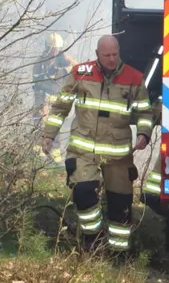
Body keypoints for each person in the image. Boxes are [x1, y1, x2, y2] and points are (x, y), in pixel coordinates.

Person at [42, 35, 154, 256]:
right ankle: (91, 243)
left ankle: (118, 256)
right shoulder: (81, 73)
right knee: (83, 194)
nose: (112, 59)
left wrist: (144, 133)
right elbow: (60, 107)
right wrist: (49, 135)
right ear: (97, 55)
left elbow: (144, 112)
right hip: (83, 151)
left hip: (118, 156)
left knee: (120, 208)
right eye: (107, 55)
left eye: (115, 54)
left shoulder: (134, 78)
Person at [31, 33, 76, 163]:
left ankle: (55, 155)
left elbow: (77, 71)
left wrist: (64, 69)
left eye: (55, 49)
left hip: (58, 99)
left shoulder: (66, 60)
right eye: (51, 48)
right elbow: (37, 83)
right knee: (39, 123)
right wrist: (39, 104)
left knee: (56, 125)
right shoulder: (40, 63)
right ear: (47, 47)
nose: (53, 51)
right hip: (43, 97)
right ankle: (39, 154)